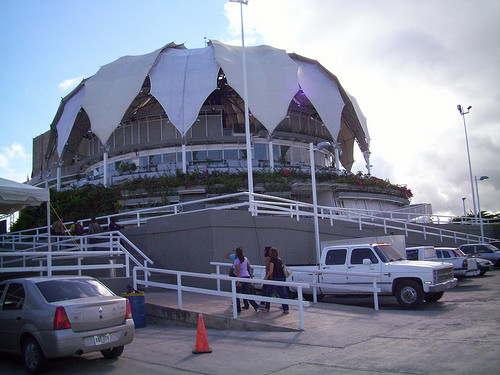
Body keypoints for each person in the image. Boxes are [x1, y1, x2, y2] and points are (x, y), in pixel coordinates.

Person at [261, 247, 289, 314]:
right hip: (282, 278)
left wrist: (266, 277)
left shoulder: (272, 261)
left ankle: (267, 308)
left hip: (275, 278)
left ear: (271, 253)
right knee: (283, 294)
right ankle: (286, 309)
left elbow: (271, 271)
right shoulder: (279, 260)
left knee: (269, 293)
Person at [233, 247, 260, 314]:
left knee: (237, 295)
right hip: (247, 277)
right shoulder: (245, 259)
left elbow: (238, 271)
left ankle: (238, 310)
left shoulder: (236, 261)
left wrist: (238, 281)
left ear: (236, 253)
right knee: (247, 294)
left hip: (241, 278)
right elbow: (249, 267)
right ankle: (256, 307)